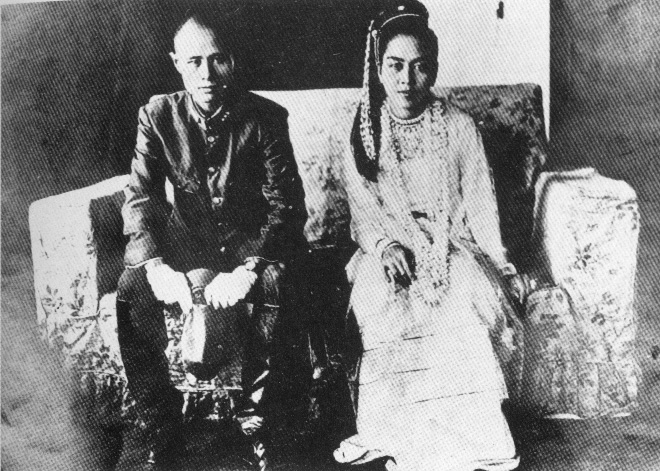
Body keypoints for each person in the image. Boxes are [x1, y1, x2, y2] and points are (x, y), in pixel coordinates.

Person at [334, 1, 526, 470]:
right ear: (379, 68)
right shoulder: (363, 129)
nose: (406, 80)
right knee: (385, 304)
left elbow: (480, 203)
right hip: (388, 248)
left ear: (434, 70)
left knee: (460, 303)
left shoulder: (459, 127)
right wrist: (385, 246)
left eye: (420, 68)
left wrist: (500, 268)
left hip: (449, 244)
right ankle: (398, 432)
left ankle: (465, 438)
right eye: (396, 66)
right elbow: (362, 210)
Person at [116, 9, 307, 470]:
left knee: (279, 282)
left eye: (218, 59)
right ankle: (160, 425)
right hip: (186, 245)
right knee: (129, 291)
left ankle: (259, 422)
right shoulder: (157, 114)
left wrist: (250, 266)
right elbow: (139, 196)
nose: (206, 74)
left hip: (252, 241)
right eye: (194, 61)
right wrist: (157, 265)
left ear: (234, 62)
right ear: (176, 63)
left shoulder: (265, 117)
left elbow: (287, 203)